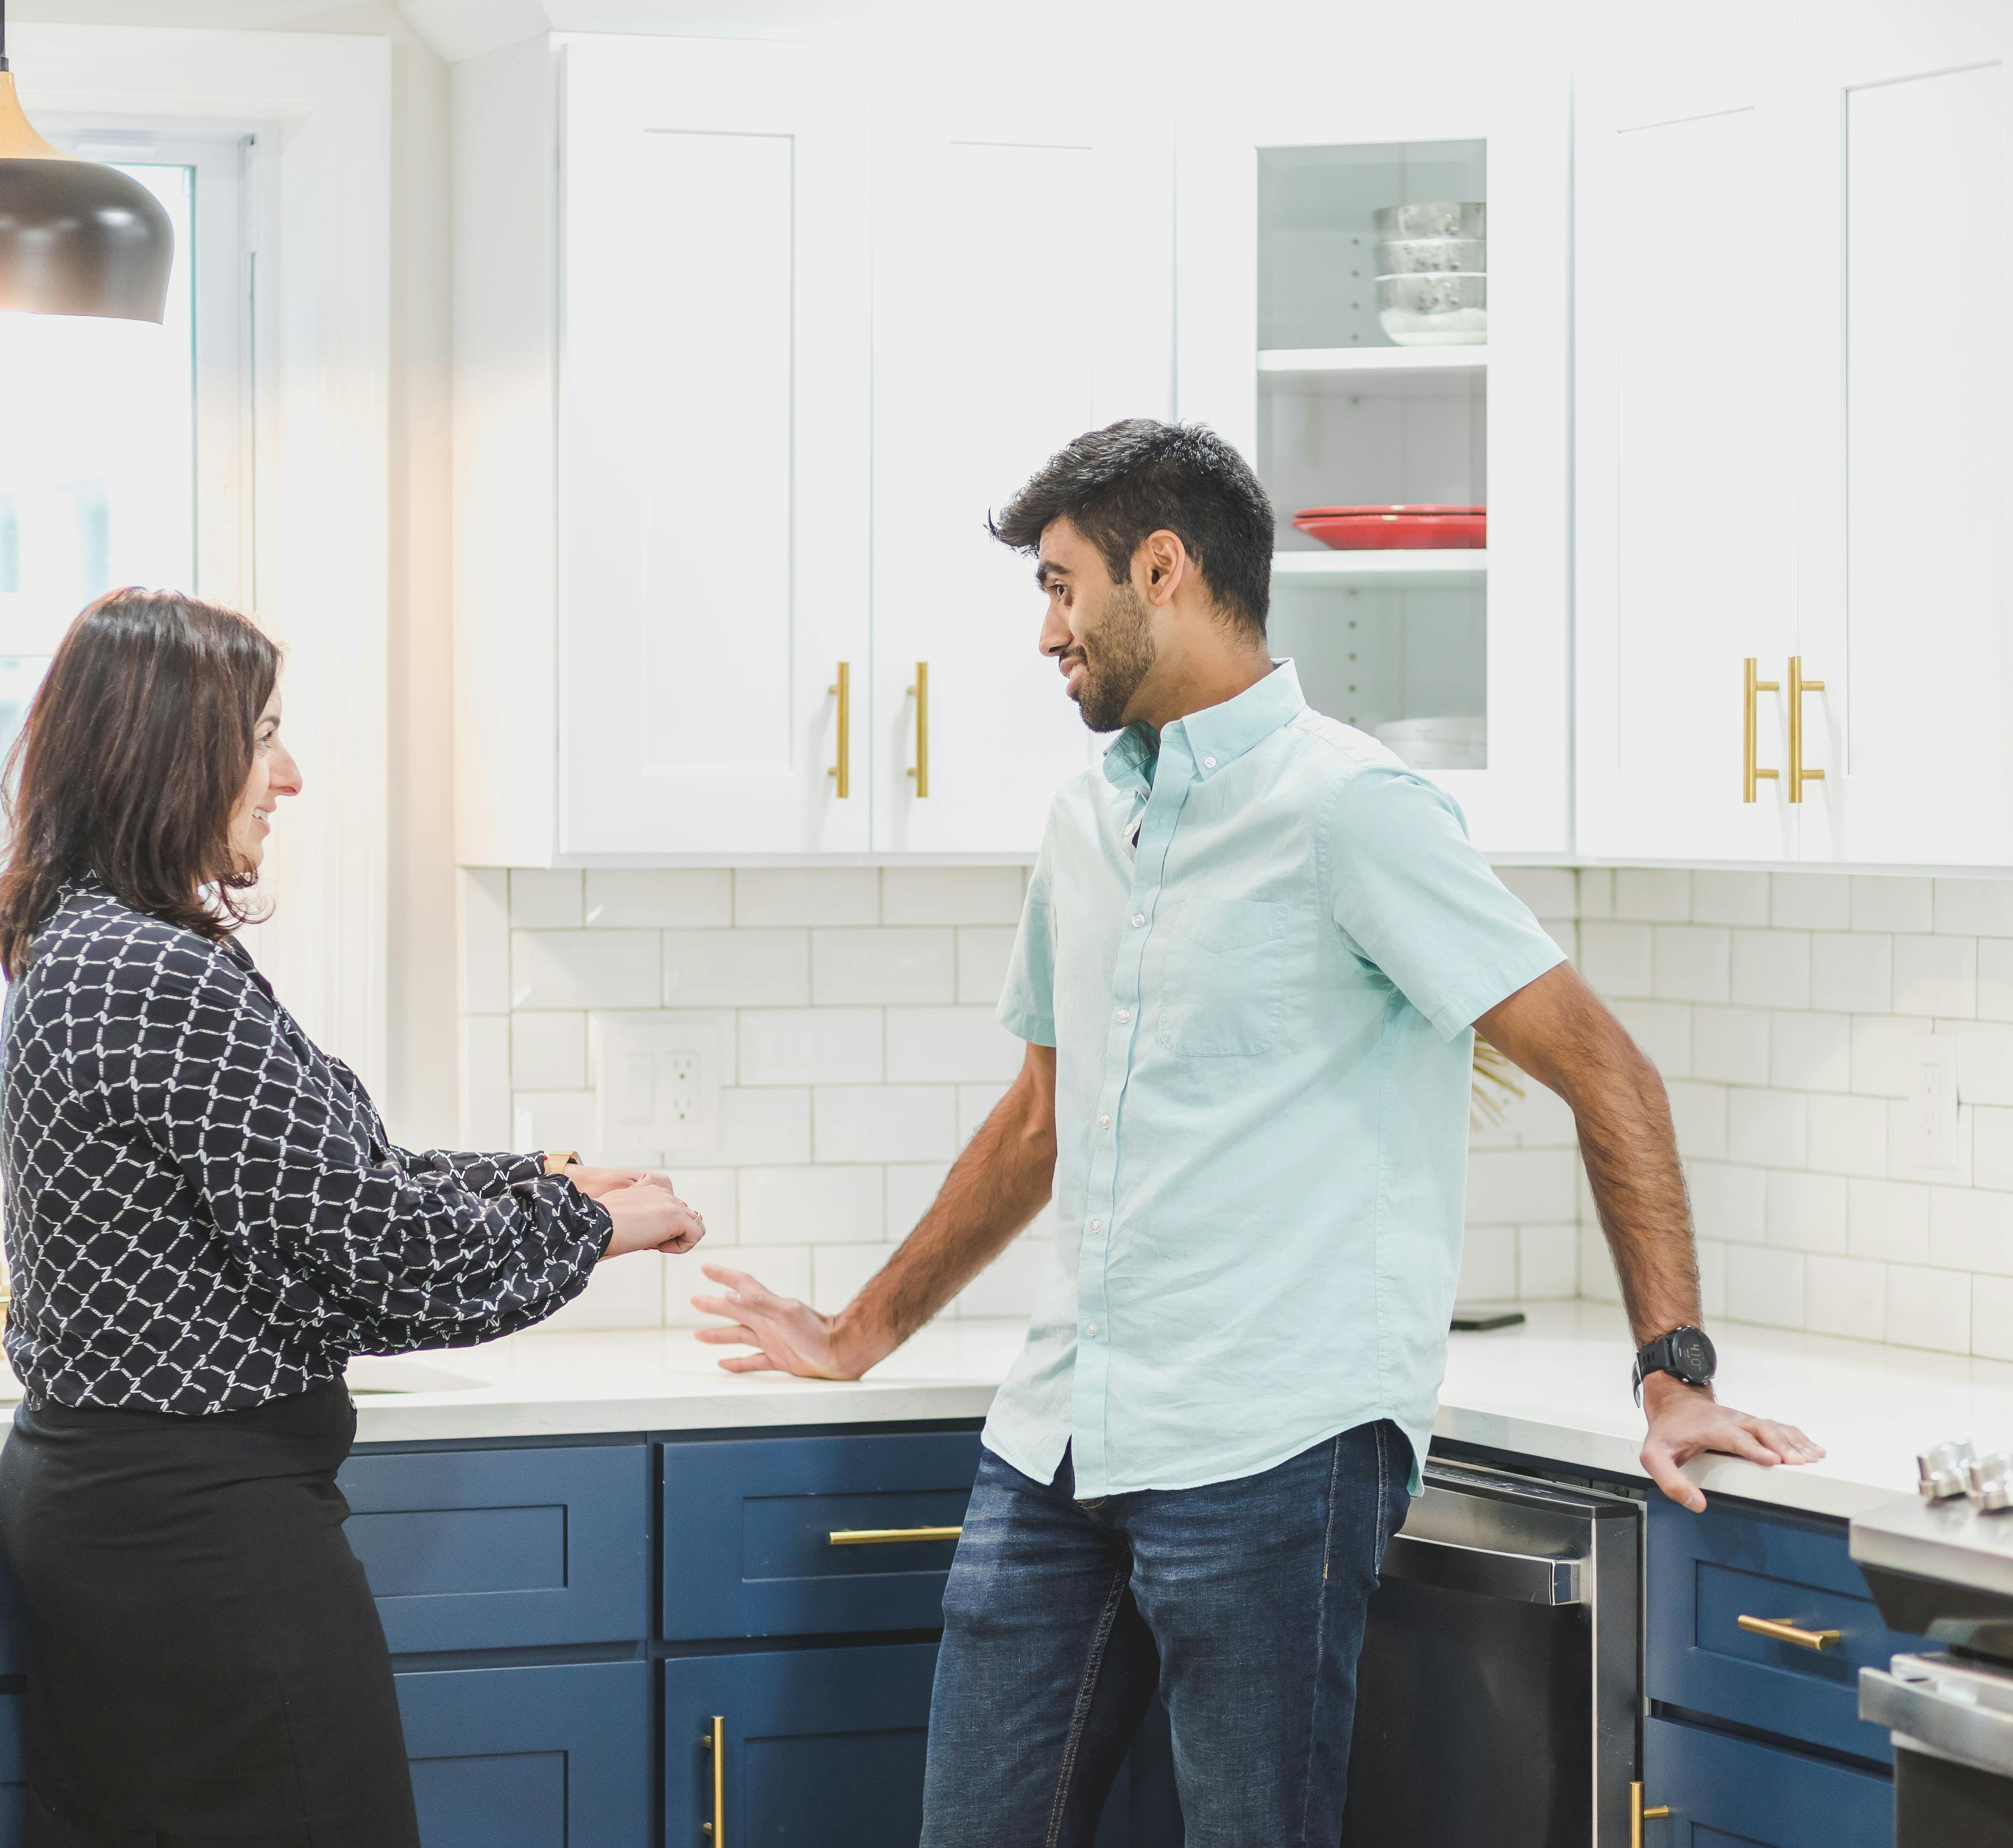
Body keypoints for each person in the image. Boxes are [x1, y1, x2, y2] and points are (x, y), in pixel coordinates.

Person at [692, 421, 1823, 1847]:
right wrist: (860, 1332)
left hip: (1273, 1454)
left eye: (1061, 587)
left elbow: (1612, 1075)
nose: (1046, 634)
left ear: (1160, 571)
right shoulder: (1084, 822)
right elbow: (1041, 1117)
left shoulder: (1354, 812)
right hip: (1059, 1444)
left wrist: (1674, 1374)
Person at [0, 588, 705, 1848]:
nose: (292, 775)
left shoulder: (85, 943)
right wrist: (601, 1230)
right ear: (172, 750)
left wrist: (542, 1179)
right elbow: (398, 1262)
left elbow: (323, 1180)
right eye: (264, 735)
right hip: (200, 1536)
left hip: (126, 1518)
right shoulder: (155, 973)